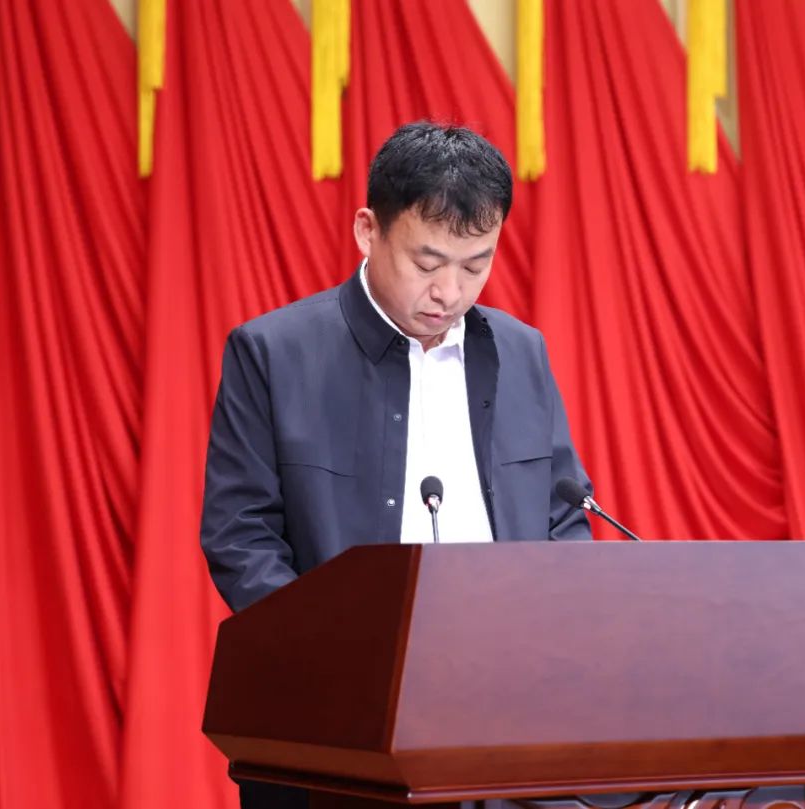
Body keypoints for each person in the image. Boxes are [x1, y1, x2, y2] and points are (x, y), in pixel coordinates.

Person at [200, 121, 593, 808]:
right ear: (368, 230)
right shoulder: (273, 354)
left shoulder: (521, 351)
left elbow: (564, 515)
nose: (450, 292)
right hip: (337, 726)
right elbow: (241, 538)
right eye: (427, 262)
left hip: (506, 717)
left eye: (475, 265)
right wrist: (341, 657)